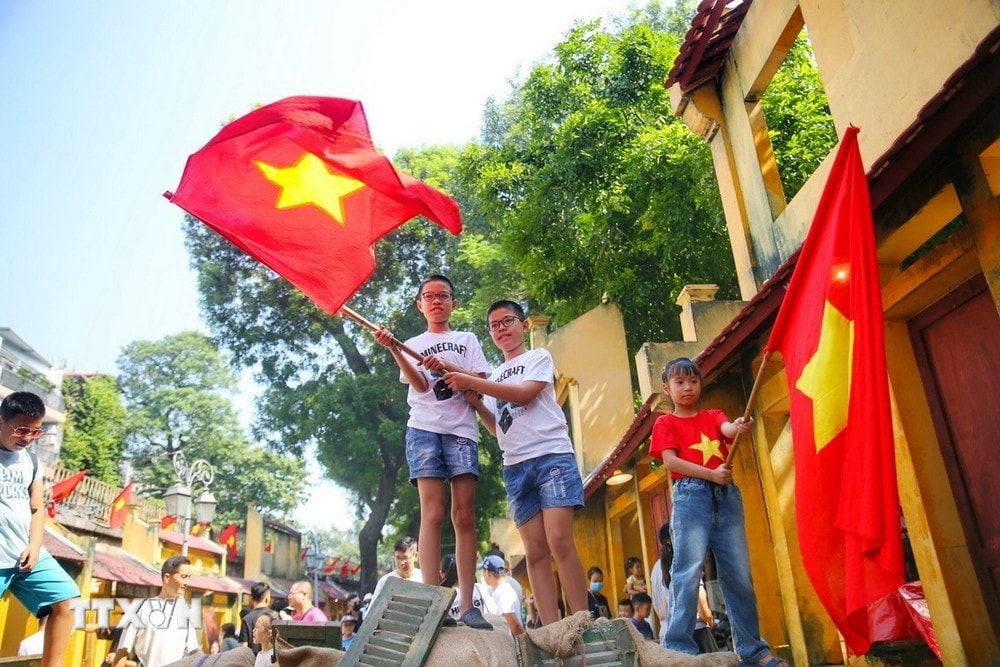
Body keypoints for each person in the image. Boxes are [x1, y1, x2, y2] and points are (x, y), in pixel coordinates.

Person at [443, 300, 588, 626]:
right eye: (493, 325)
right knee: (534, 551)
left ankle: (582, 621)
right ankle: (551, 630)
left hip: (551, 456)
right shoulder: (494, 377)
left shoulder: (538, 357)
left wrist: (472, 382)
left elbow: (523, 395)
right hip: (516, 466)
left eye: (507, 321)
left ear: (523, 325)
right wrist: (478, 404)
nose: (501, 329)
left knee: (560, 541)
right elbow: (500, 429)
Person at [374, 274, 493, 631]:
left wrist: (452, 369)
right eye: (430, 296)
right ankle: (433, 604)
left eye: (444, 296)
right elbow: (420, 384)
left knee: (465, 515)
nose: (437, 301)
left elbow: (480, 384)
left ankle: (468, 604)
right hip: (423, 429)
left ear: (454, 303)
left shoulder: (466, 340)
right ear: (420, 304)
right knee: (433, 512)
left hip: (461, 430)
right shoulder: (412, 342)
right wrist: (395, 348)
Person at [650, 357, 784, 667]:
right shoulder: (665, 423)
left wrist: (739, 425)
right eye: (680, 382)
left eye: (693, 381)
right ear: (666, 388)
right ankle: (679, 652)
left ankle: (753, 652)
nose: (688, 387)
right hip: (689, 498)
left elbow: (728, 428)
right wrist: (710, 475)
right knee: (686, 573)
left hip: (727, 498)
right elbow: (670, 463)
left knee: (739, 575)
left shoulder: (713, 415)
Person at [0, 392, 81, 667]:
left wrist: (35, 545)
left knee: (68, 602)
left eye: (36, 432)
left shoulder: (31, 462)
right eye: (22, 429)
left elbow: (37, 509)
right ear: (1, 421)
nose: (27, 437)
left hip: (26, 555)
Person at [118, 555, 201, 665]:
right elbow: (122, 652)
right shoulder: (141, 607)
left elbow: (194, 653)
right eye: (183, 576)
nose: (187, 582)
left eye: (189, 577)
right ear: (167, 577)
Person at [440, 553, 498, 622]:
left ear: (442, 574)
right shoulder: (479, 588)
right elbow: (495, 612)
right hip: (483, 630)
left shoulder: (441, 597)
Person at [480, 555, 523, 636]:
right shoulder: (502, 590)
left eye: (483, 571)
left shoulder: (503, 592)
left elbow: (513, 623)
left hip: (510, 644)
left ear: (488, 573)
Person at [371, 536, 424, 603]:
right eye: (398, 558)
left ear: (416, 556)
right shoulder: (385, 582)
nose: (402, 562)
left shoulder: (423, 579)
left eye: (405, 558)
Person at [239, 581, 272, 654]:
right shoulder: (274, 617)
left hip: (252, 662)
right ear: (267, 598)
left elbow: (243, 649)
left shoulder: (246, 619)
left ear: (252, 598)